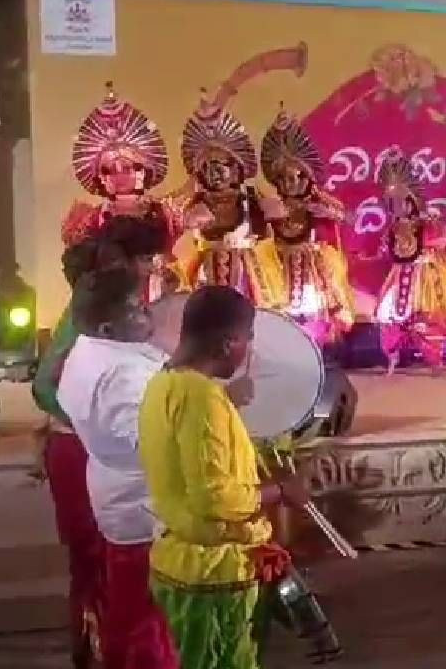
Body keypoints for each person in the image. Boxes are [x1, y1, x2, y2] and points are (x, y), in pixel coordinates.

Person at [139, 286, 311, 669]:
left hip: (180, 560)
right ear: (228, 342)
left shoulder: (163, 383)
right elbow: (213, 498)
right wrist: (280, 490)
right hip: (213, 575)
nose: (248, 352)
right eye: (247, 341)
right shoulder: (202, 399)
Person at [32, 216, 173, 668]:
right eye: (147, 259)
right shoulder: (94, 312)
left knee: (107, 569)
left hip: (91, 448)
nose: (154, 267)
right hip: (80, 449)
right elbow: (43, 386)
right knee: (99, 564)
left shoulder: (115, 308)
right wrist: (85, 416)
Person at [62, 82, 182, 303]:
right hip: (110, 300)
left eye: (127, 167)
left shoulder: (167, 213)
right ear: (101, 179)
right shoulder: (89, 219)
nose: (120, 175)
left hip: (158, 297)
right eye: (109, 170)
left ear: (143, 171)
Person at [177, 90, 287, 309]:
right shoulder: (195, 202)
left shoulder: (252, 197)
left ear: (237, 168)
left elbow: (280, 214)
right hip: (206, 277)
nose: (214, 172)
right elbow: (179, 228)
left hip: (249, 279)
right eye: (207, 166)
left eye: (221, 163)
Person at [260, 105, 355, 350]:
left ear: (306, 177)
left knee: (315, 312)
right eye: (286, 178)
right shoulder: (271, 203)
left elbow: (350, 218)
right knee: (283, 313)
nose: (292, 183)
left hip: (311, 264)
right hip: (279, 265)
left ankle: (316, 352)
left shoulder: (317, 199)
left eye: (297, 177)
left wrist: (328, 213)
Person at [372, 154, 446, 376]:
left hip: (423, 278)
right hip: (398, 276)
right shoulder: (392, 229)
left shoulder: (426, 223)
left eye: (400, 201)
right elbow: (384, 251)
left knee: (426, 320)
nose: (396, 206)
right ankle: (392, 362)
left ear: (411, 200)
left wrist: (436, 225)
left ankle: (435, 362)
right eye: (391, 202)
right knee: (390, 319)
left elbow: (443, 238)